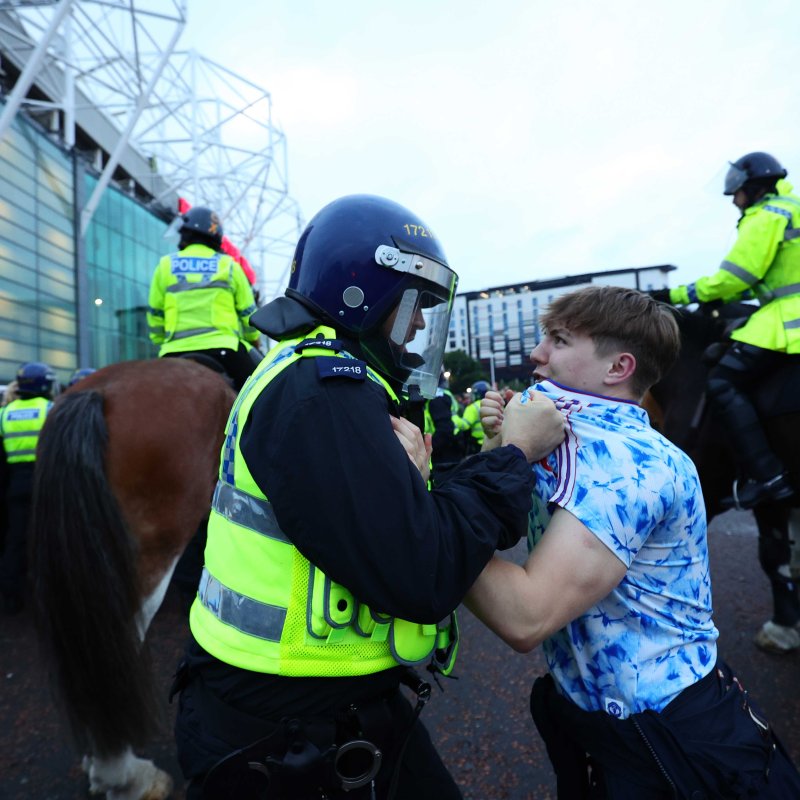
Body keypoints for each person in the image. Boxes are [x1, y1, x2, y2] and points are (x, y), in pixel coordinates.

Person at [171, 194, 566, 800]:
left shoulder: (309, 374)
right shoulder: (324, 391)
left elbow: (411, 515)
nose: (414, 327)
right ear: (361, 293)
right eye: (411, 305)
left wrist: (484, 460)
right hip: (294, 725)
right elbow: (423, 568)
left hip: (297, 702)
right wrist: (513, 459)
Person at [465, 285, 800, 799]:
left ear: (618, 368)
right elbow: (498, 521)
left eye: (557, 340)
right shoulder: (570, 437)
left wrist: (417, 514)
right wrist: (501, 449)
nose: (537, 354)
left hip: (666, 733)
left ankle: (769, 475)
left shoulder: (629, 465)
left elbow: (524, 615)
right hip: (608, 722)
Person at [655, 151, 799, 510]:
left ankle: (769, 476)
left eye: (736, 194)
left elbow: (734, 278)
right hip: (783, 304)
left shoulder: (767, 214)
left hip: (789, 318)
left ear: (753, 188)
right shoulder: (791, 206)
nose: (735, 202)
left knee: (722, 382)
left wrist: (672, 295)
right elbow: (760, 282)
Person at [147, 206, 262, 391]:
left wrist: (161, 340)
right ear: (215, 235)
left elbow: (155, 314)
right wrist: (253, 339)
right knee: (264, 390)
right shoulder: (229, 266)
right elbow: (249, 314)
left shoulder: (165, 266)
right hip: (225, 349)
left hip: (174, 352)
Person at [0, 361, 55, 613]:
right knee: (50, 540)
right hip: (46, 483)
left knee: (16, 541)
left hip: (15, 484)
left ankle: (11, 596)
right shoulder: (50, 408)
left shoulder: (5, 413)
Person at [423, 370, 471, 482]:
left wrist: (427, 449)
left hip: (444, 455)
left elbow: (444, 431)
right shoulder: (442, 394)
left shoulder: (437, 398)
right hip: (451, 448)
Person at [461, 379, 489, 453]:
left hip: (477, 445)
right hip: (492, 442)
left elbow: (464, 426)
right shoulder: (494, 404)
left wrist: (454, 418)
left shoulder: (472, 407)